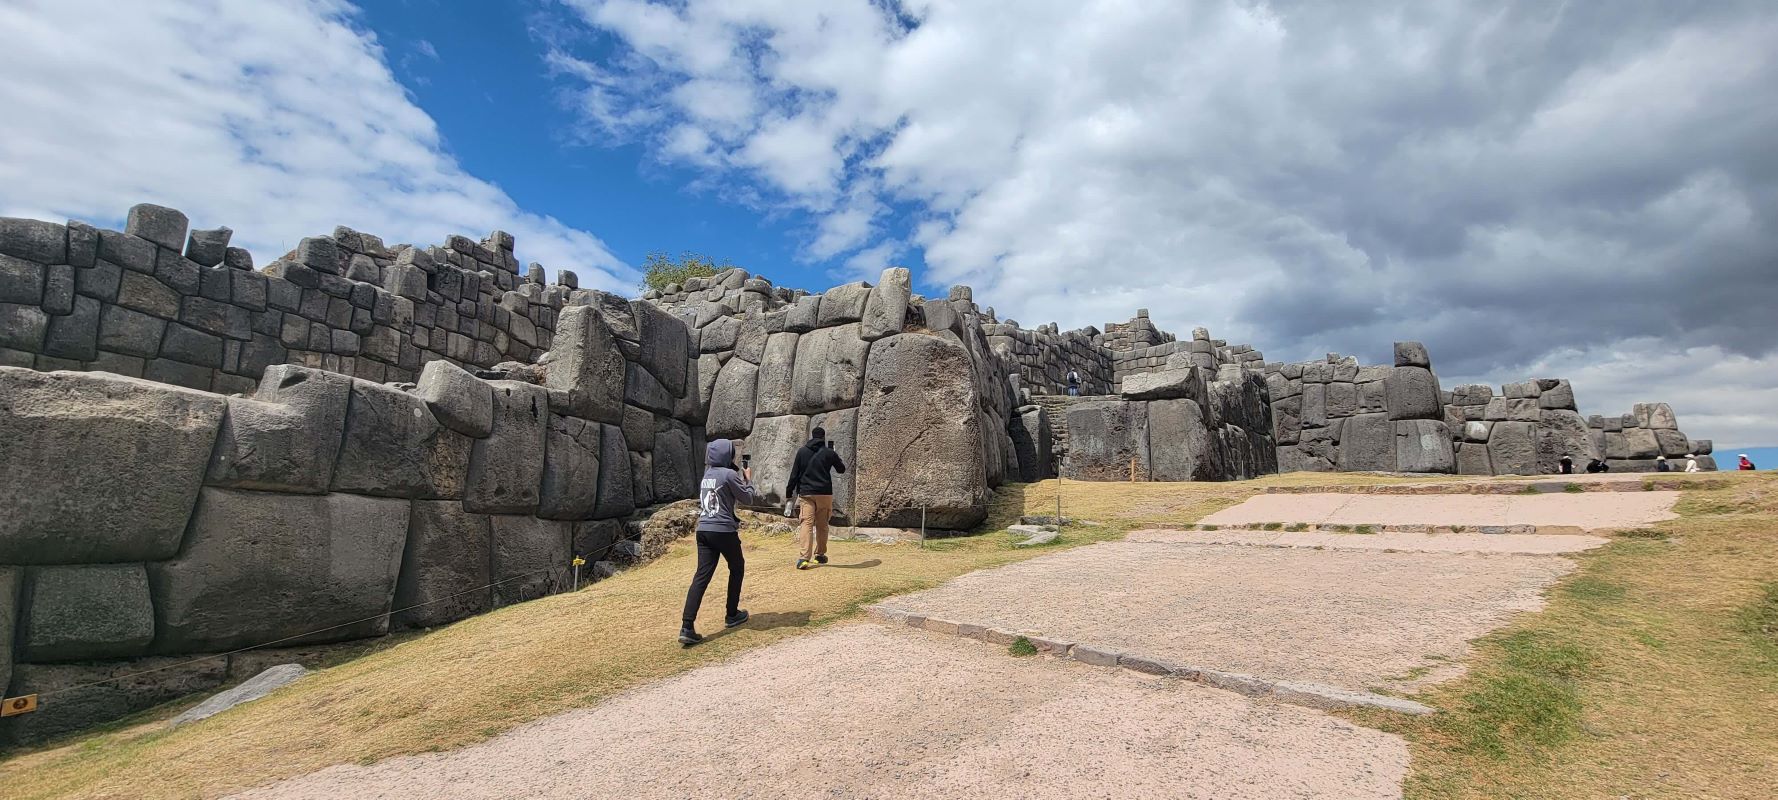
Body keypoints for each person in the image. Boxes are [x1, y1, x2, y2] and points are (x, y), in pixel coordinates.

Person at [679, 439, 754, 646]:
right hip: (722, 529)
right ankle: (732, 614)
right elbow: (747, 498)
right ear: (726, 455)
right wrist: (748, 480)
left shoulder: (707, 475)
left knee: (701, 577)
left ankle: (687, 626)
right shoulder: (729, 475)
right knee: (737, 567)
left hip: (703, 530)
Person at [786, 426, 847, 570]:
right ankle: (819, 554)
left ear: (812, 437)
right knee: (822, 524)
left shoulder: (802, 451)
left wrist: (789, 493)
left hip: (806, 492)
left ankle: (803, 558)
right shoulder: (828, 452)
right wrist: (834, 454)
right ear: (823, 438)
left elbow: (794, 474)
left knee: (806, 524)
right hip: (824, 492)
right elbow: (841, 469)